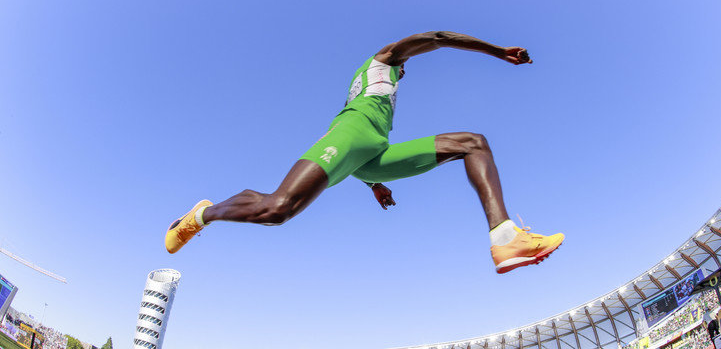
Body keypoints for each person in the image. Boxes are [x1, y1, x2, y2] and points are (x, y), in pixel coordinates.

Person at [165, 31, 564, 274]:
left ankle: (506, 236)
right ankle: (201, 214)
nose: (405, 71)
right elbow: (439, 37)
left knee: (473, 142)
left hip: (373, 153)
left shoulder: (387, 93)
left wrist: (374, 183)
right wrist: (497, 52)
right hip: (351, 134)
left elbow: (368, 151)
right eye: (404, 65)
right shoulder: (384, 58)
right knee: (276, 210)